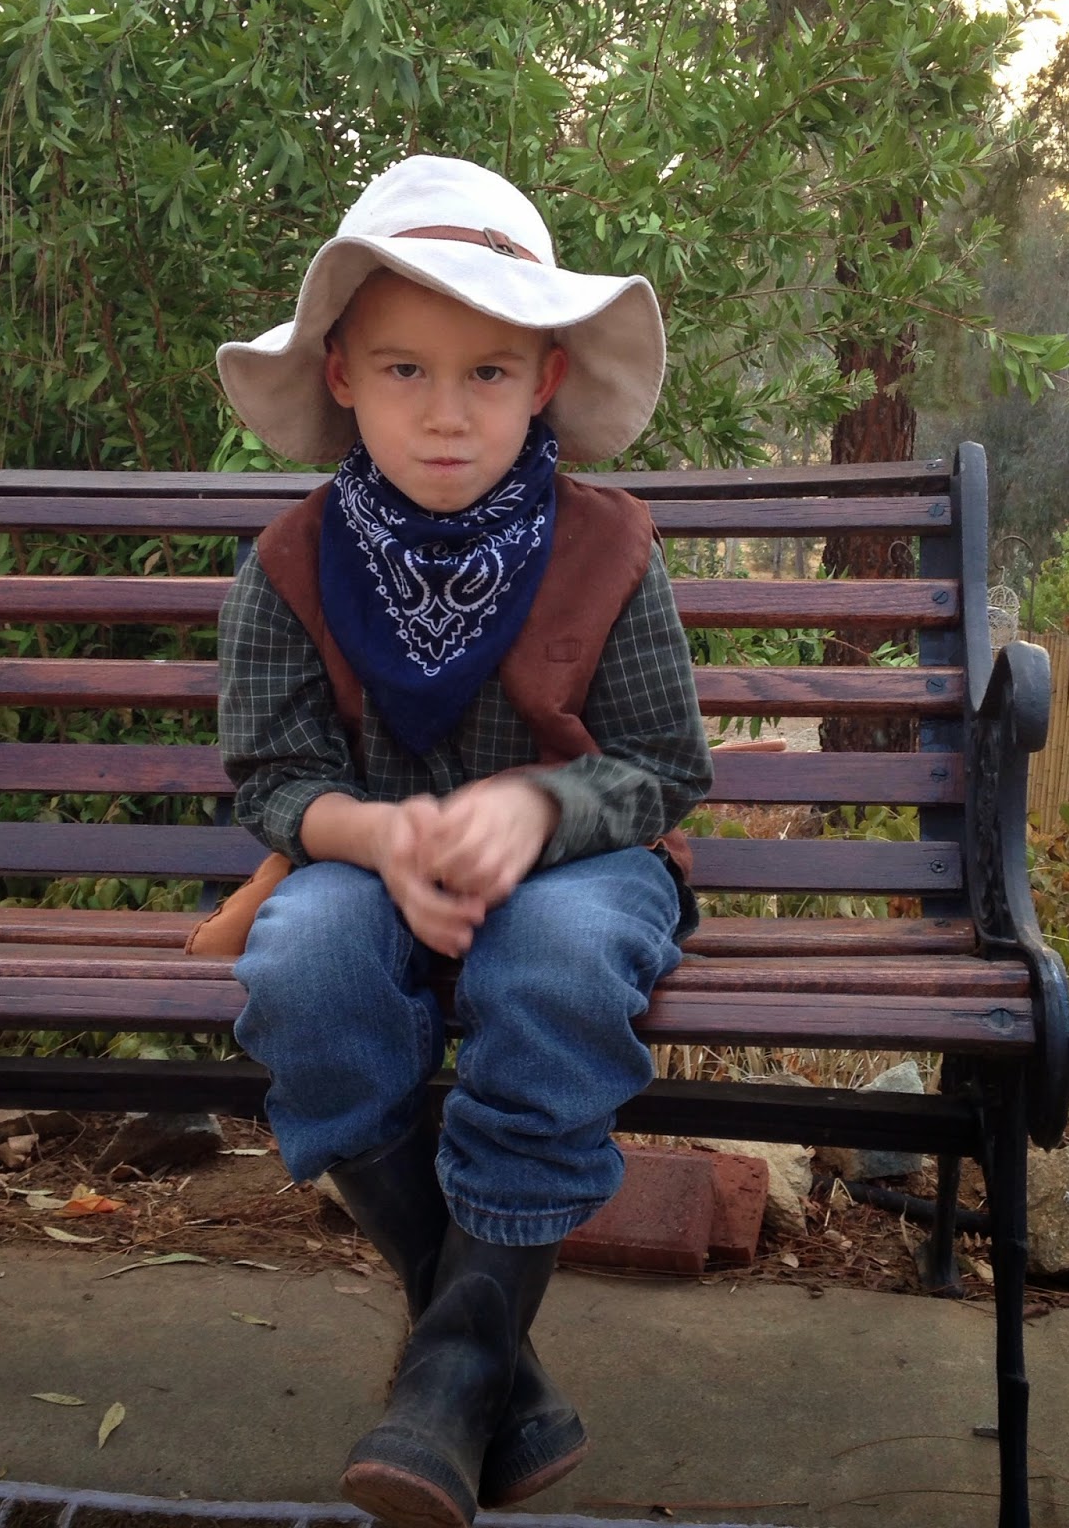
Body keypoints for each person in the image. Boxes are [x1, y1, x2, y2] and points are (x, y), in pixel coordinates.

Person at [214, 154, 713, 1528]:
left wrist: (543, 806)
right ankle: (485, 1362)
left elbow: (665, 772)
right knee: (302, 961)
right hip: (366, 870)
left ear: (546, 379)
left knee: (556, 958)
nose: (446, 413)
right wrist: (374, 835)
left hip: (584, 875)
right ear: (341, 377)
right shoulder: (291, 563)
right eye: (405, 371)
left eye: (488, 372)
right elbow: (276, 781)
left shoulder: (609, 548)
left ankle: (447, 1374)